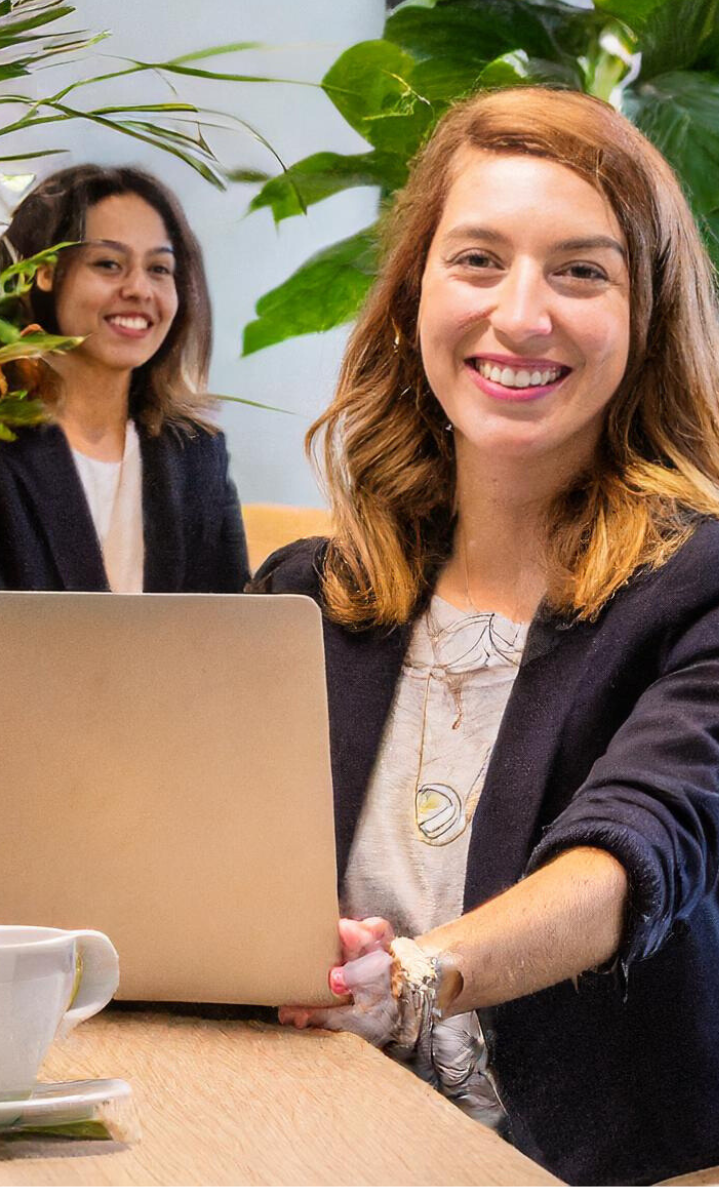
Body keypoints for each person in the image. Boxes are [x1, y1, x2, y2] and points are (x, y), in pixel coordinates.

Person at [257, 87, 719, 1186]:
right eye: (478, 259)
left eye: (580, 270)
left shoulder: (700, 587)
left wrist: (415, 973)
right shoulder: (305, 599)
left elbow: (633, 851)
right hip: (325, 1141)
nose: (522, 315)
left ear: (646, 316)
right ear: (415, 292)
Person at [0, 164, 249, 595]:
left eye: (159, 269)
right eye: (109, 264)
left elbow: (233, 640)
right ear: (43, 275)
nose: (139, 289)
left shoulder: (198, 455)